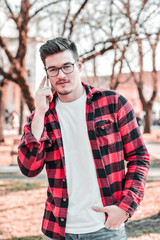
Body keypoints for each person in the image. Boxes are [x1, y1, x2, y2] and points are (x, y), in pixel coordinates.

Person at [17, 37, 150, 240]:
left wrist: (125, 208)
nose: (61, 75)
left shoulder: (114, 103)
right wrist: (40, 115)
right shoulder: (43, 116)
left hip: (106, 229)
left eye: (67, 67)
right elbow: (29, 168)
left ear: (78, 66)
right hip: (60, 230)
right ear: (46, 74)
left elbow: (139, 158)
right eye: (53, 69)